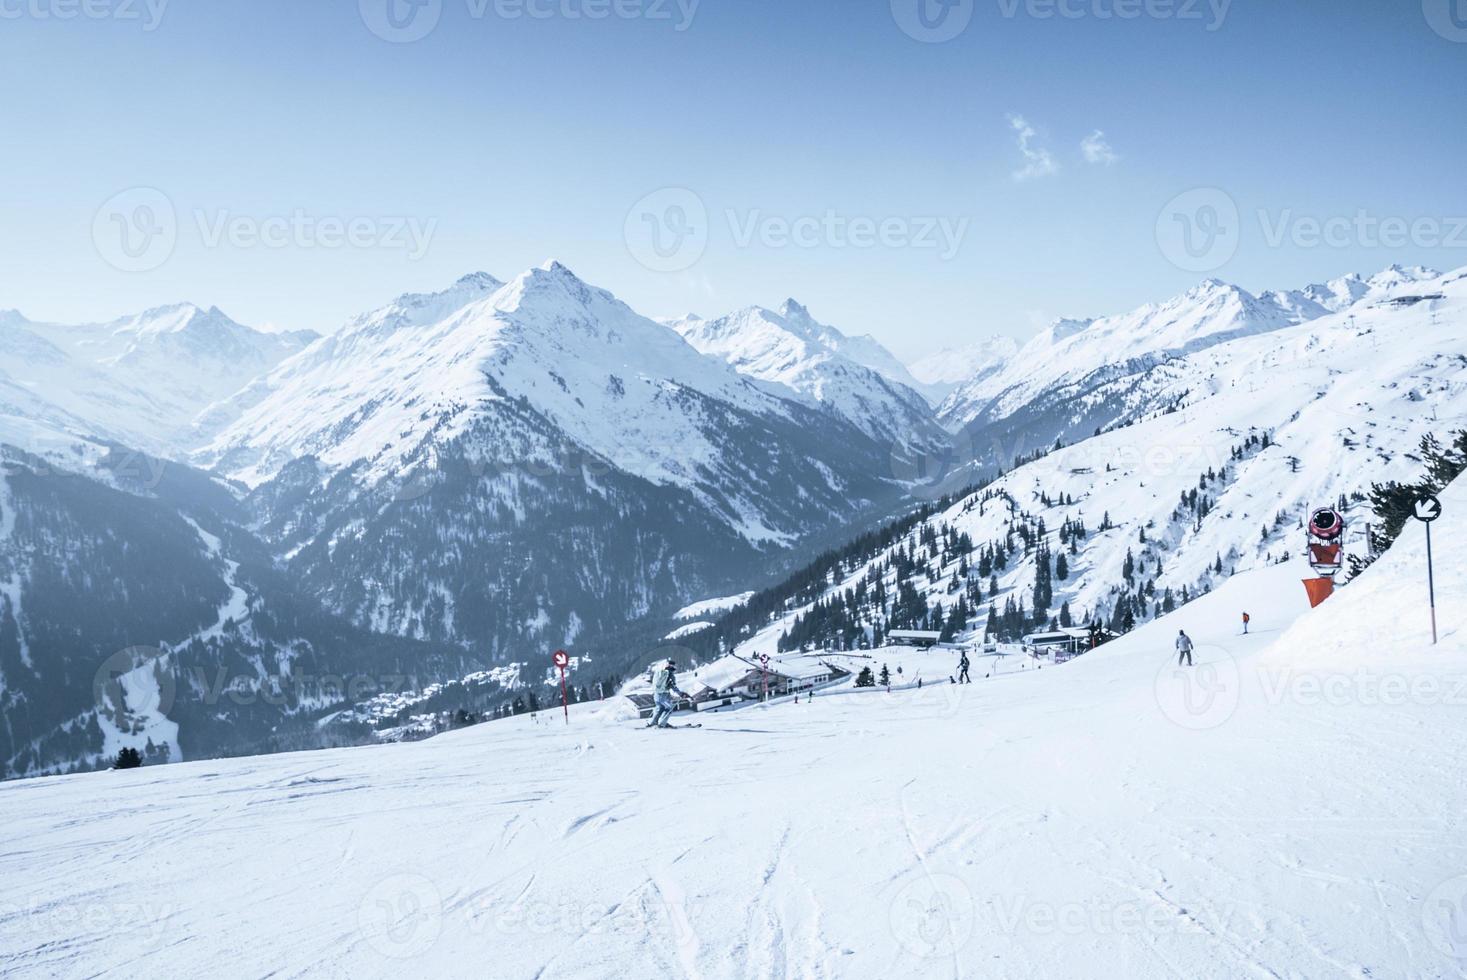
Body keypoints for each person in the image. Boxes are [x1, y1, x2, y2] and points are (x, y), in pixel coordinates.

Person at [647, 658, 689, 729]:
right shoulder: (669, 674)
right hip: (663, 695)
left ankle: (653, 722)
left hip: (656, 695)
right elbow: (673, 686)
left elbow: (654, 682)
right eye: (672, 665)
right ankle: (662, 724)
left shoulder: (659, 672)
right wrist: (680, 694)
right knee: (669, 708)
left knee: (659, 708)